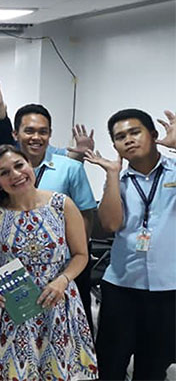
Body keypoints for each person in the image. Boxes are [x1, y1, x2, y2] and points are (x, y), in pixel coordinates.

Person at [0, 145, 97, 380]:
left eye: (19, 165)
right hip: (13, 308)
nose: (15, 175)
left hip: (57, 302)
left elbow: (81, 255)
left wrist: (63, 280)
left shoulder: (62, 204)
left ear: (30, 165)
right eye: (4, 173)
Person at [85, 108, 176, 380]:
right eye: (120, 137)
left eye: (135, 132)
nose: (128, 140)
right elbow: (110, 224)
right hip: (121, 286)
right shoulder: (119, 180)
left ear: (154, 134)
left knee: (153, 367)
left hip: (167, 288)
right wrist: (112, 176)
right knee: (110, 364)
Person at [13, 104, 97, 327]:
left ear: (50, 134)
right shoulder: (7, 171)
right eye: (29, 131)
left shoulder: (70, 168)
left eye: (43, 131)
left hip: (66, 268)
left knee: (72, 327)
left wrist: (76, 254)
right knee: (26, 328)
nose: (36, 137)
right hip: (20, 269)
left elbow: (86, 213)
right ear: (15, 134)